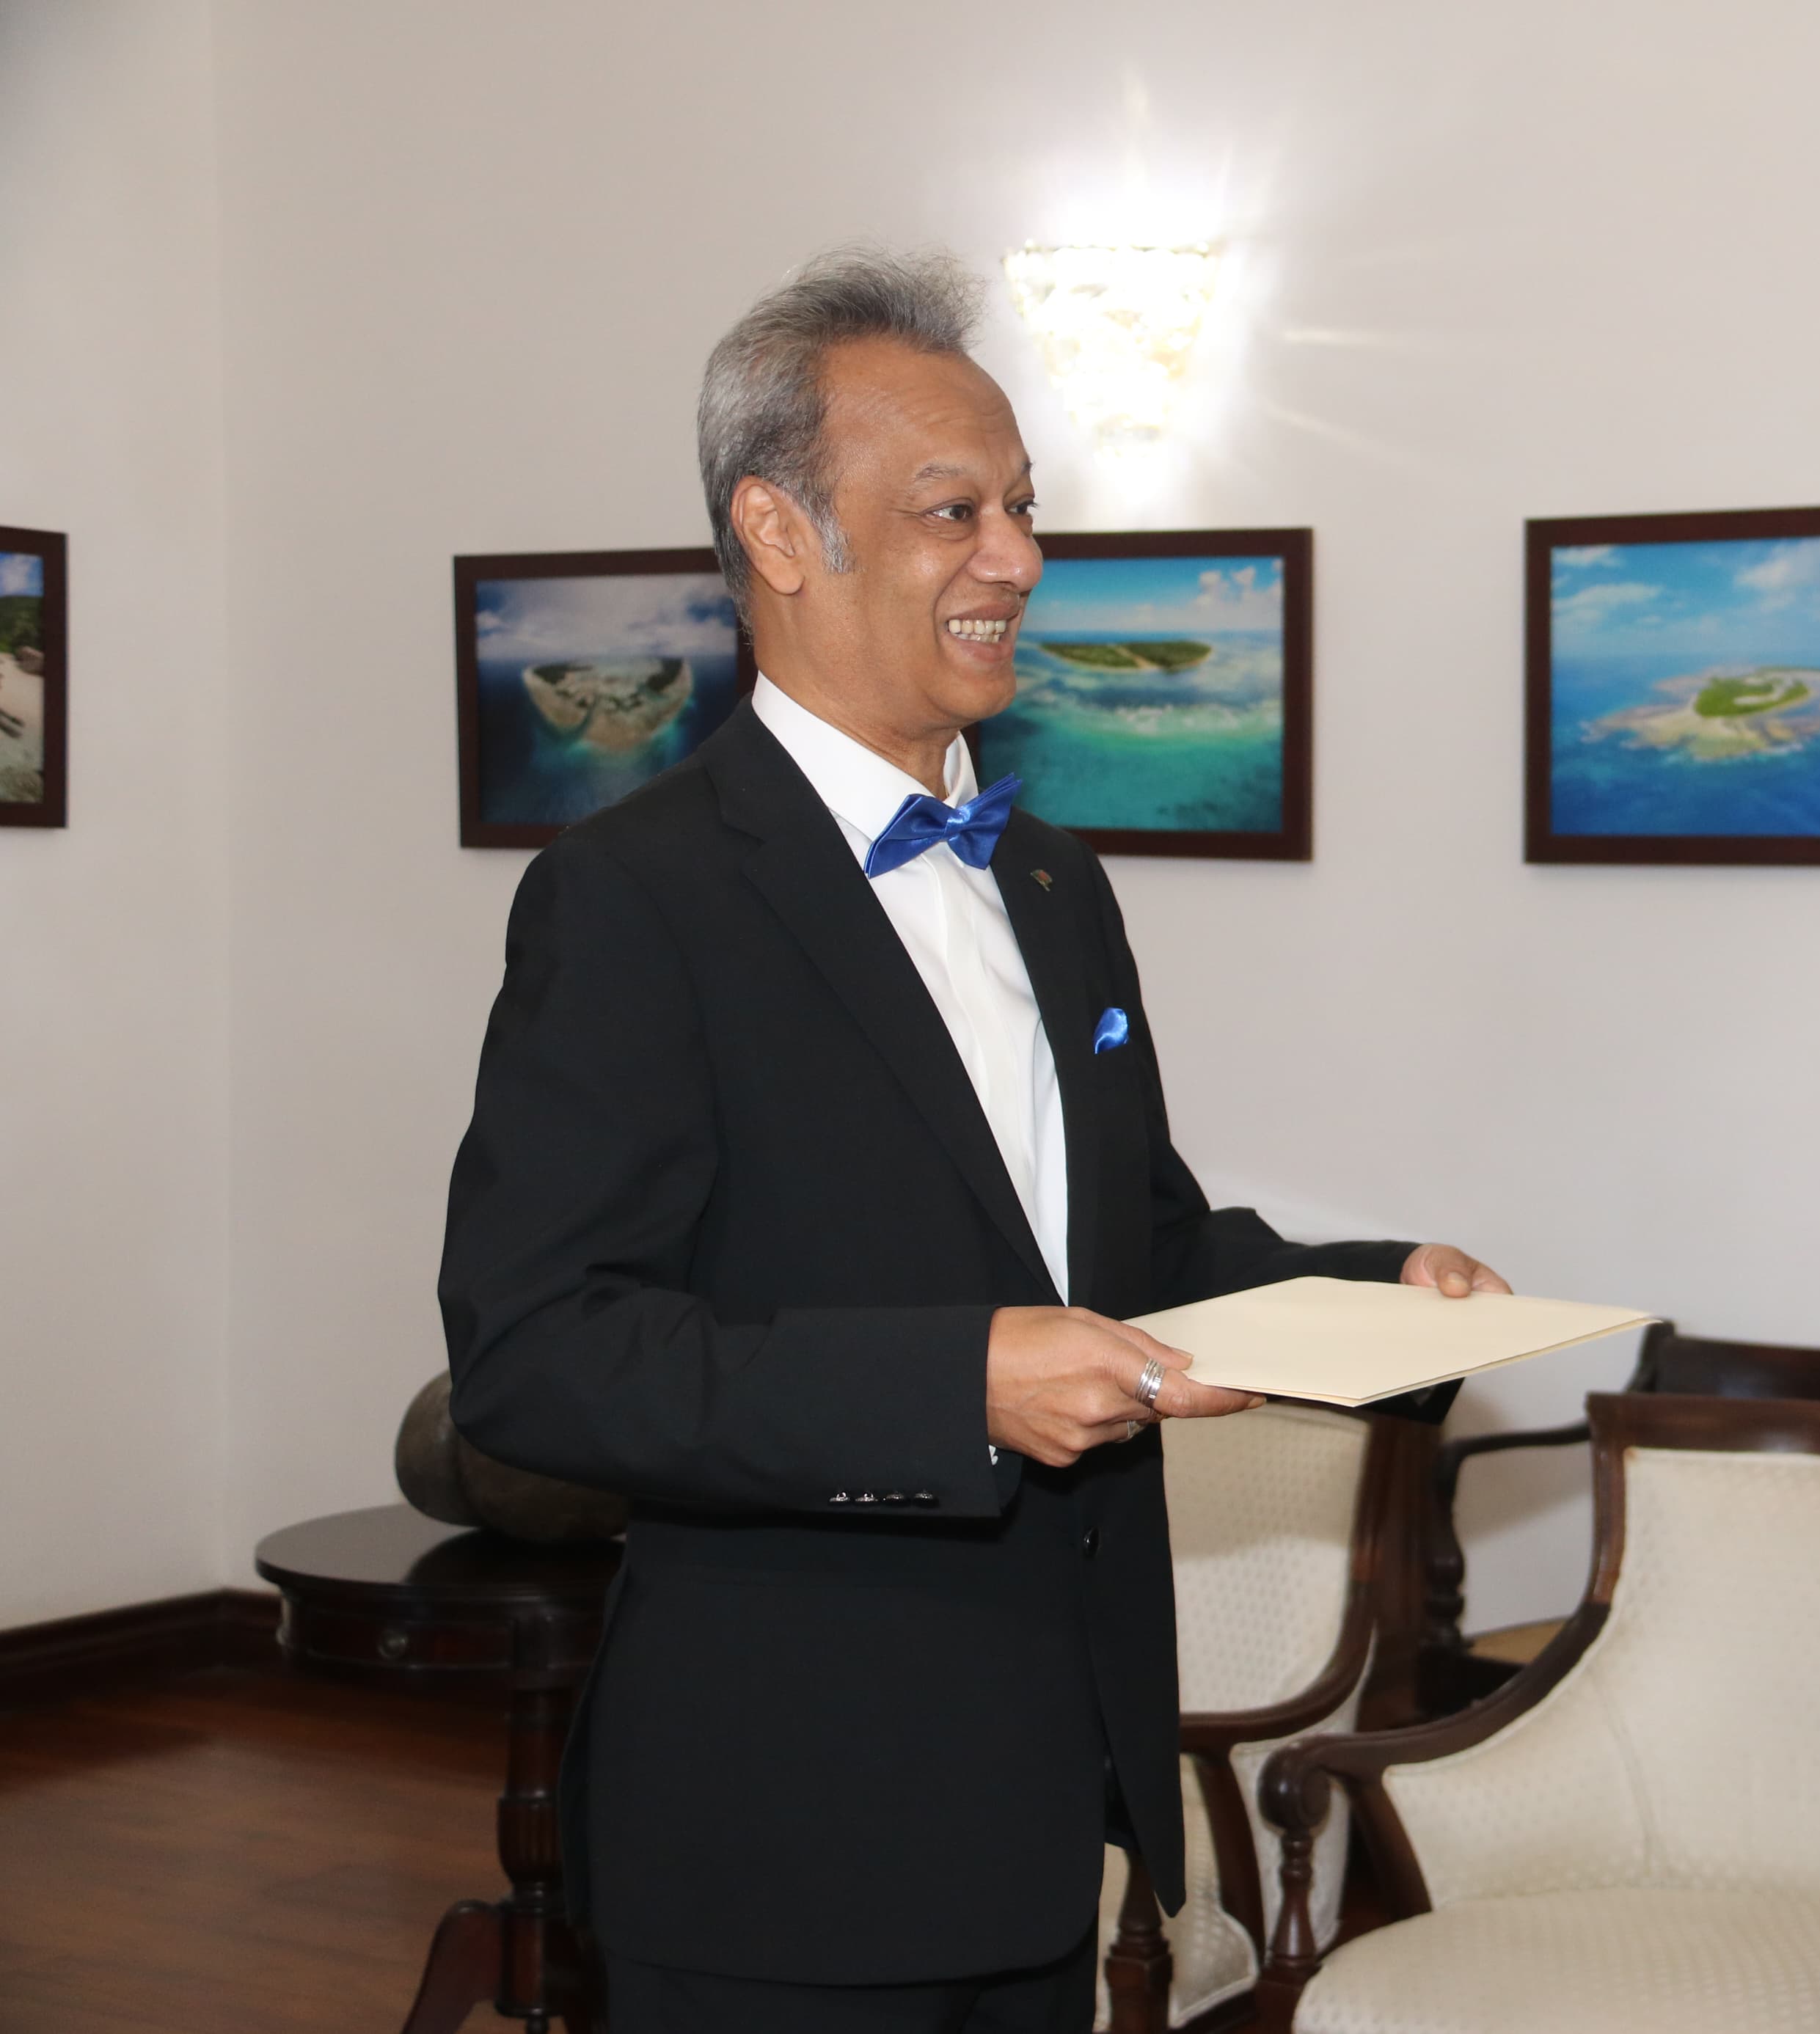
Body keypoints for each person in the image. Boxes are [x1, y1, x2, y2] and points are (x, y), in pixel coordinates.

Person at [437, 246, 1508, 2034]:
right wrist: (956, 1386)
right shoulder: (633, 898)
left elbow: (1132, 1251)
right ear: (779, 533)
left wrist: (1373, 1285)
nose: (1016, 558)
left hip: (1045, 1800)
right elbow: (536, 1356)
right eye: (957, 511)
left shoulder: (1055, 883)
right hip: (786, 1821)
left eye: (1025, 508)